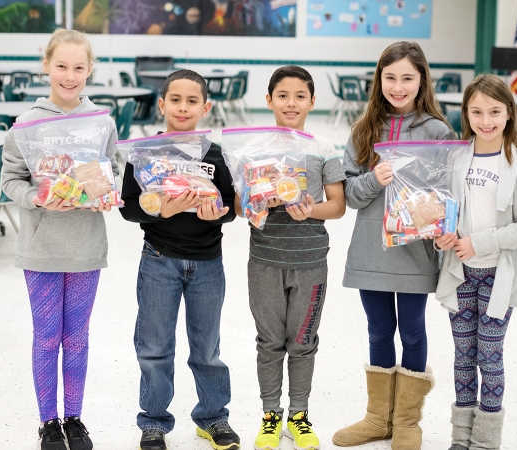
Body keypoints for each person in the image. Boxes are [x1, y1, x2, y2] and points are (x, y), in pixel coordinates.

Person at [333, 41, 455, 450]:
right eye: (390, 78)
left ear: (422, 80)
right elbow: (349, 194)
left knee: (414, 331)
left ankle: (407, 423)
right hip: (372, 250)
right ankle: (377, 420)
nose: (398, 86)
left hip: (416, 251)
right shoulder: (363, 128)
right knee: (379, 330)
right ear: (379, 79)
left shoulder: (439, 131)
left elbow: (447, 194)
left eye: (407, 77)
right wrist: (375, 179)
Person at [0, 29, 119, 450]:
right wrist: (37, 197)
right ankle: (48, 422)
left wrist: (108, 192)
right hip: (41, 247)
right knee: (47, 336)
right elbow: (9, 180)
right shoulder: (27, 124)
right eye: (62, 66)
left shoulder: (102, 121)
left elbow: (116, 170)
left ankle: (75, 418)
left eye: (79, 68)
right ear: (46, 65)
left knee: (78, 337)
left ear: (90, 71)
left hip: (86, 246)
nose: (70, 76)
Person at [119, 70, 238, 450]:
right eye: (175, 100)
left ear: (206, 107)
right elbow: (128, 207)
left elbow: (231, 208)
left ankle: (213, 418)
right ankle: (153, 422)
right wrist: (161, 212)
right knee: (154, 347)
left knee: (207, 348)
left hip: (207, 263)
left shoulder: (216, 155)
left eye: (192, 101)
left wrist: (219, 213)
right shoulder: (143, 154)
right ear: (162, 104)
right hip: (158, 260)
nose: (183, 107)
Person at [433, 74, 517, 450]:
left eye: (495, 111)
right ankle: (460, 438)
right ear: (466, 113)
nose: (486, 120)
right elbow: (447, 213)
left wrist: (477, 243)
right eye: (477, 111)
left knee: (489, 357)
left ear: (509, 113)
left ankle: (485, 442)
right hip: (460, 274)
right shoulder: (457, 157)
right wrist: (444, 236)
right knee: (462, 356)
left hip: (499, 276)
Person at [240, 65, 345, 450]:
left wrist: (310, 210)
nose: (291, 103)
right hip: (265, 260)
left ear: (312, 102)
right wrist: (257, 204)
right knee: (269, 342)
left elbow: (337, 206)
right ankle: (270, 415)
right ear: (269, 100)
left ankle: (298, 414)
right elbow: (239, 205)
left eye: (300, 96)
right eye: (282, 95)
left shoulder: (324, 149)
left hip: (311, 261)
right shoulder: (254, 150)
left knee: (302, 341)